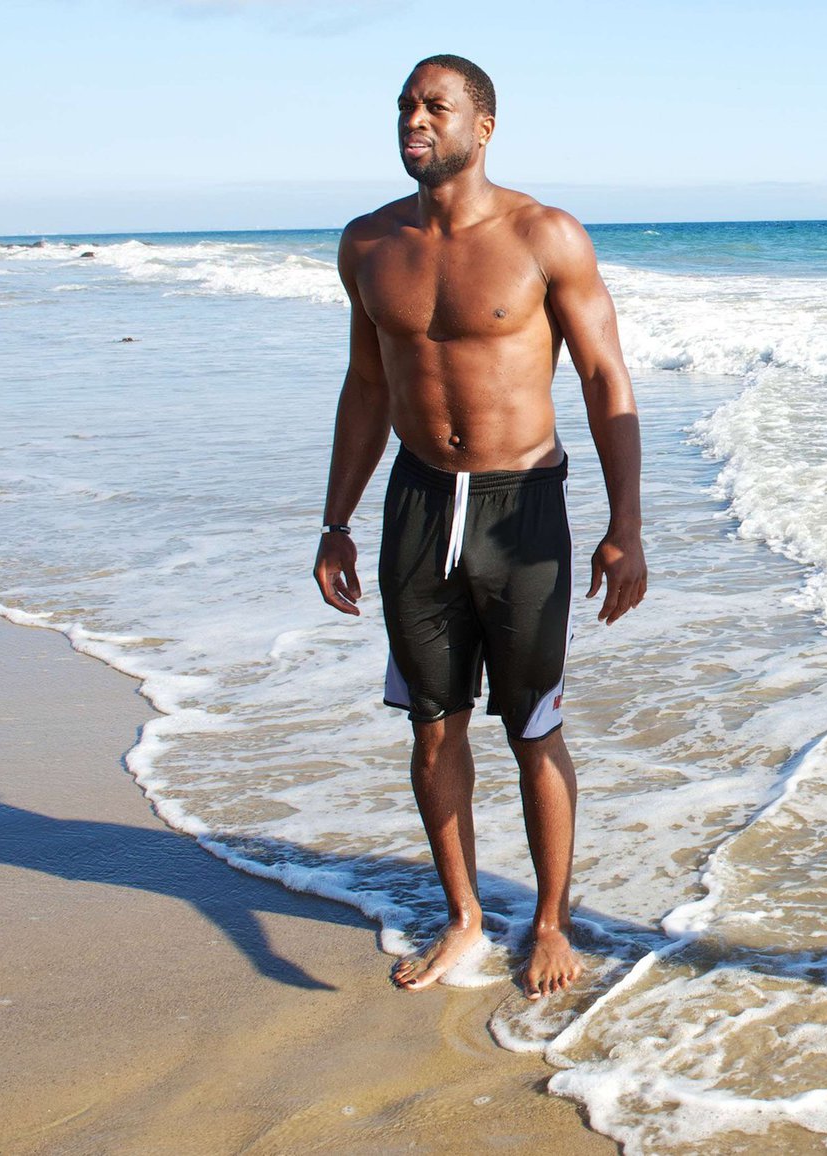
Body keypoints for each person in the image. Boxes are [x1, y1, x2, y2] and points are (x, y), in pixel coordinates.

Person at [312, 55, 646, 998]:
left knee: (532, 727)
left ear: (483, 125)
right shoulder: (369, 245)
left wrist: (626, 524)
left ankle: (549, 920)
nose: (416, 119)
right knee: (431, 727)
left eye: (436, 106)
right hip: (419, 504)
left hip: (522, 506)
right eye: (407, 106)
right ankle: (462, 919)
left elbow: (604, 379)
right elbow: (368, 384)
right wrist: (335, 519)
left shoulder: (546, 235)